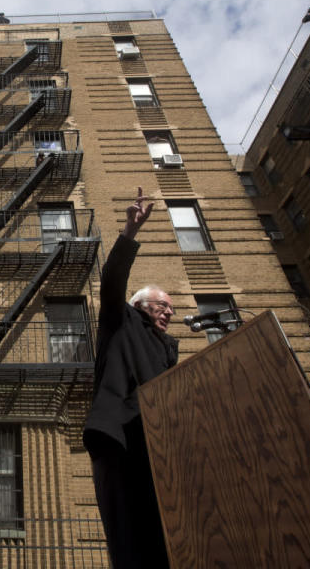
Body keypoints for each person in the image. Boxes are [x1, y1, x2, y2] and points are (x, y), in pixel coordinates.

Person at [82, 186, 178, 569]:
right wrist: (130, 231)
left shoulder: (168, 349)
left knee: (165, 537)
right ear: (140, 305)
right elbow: (112, 279)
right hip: (119, 441)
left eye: (171, 307)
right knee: (130, 540)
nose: (169, 312)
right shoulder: (120, 321)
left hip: (160, 445)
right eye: (162, 305)